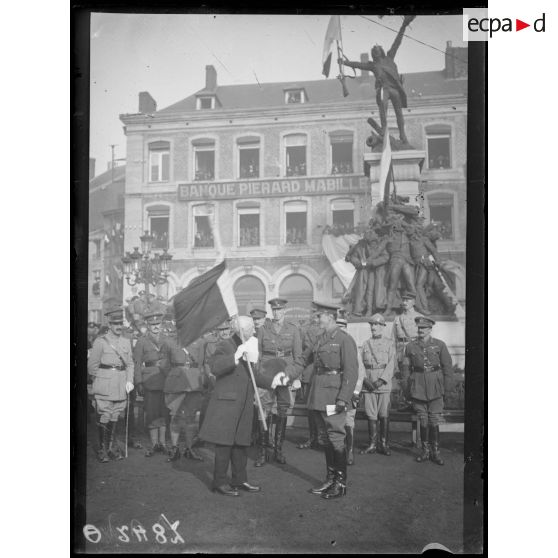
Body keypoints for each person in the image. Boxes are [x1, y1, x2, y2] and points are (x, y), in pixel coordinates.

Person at [199, 315, 287, 496]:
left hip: (244, 402)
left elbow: (253, 376)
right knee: (224, 445)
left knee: (240, 443)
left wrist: (273, 382)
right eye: (251, 328)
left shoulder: (248, 345)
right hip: (227, 403)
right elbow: (215, 367)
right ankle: (219, 482)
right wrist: (235, 357)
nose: (254, 331)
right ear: (241, 329)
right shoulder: (226, 345)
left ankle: (240, 480)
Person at [304, 302, 358, 500]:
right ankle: (330, 479)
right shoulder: (319, 339)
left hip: (335, 398)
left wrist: (343, 397)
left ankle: (341, 483)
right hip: (319, 395)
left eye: (319, 316)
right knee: (325, 438)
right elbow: (304, 359)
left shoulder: (344, 339)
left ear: (330, 317)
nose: (316, 320)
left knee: (336, 437)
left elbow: (351, 371)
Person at [339, 16, 415, 145]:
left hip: (394, 89)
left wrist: (403, 26)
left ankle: (403, 135)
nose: (375, 51)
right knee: (382, 108)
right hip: (384, 89)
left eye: (377, 50)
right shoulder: (373, 65)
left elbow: (397, 42)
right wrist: (344, 62)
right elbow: (358, 65)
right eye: (373, 51)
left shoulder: (389, 58)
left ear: (381, 52)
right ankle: (384, 131)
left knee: (399, 113)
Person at [257, 298, 304, 465]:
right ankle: (263, 452)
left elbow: (298, 357)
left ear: (284, 311)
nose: (276, 313)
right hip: (267, 374)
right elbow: (258, 355)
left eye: (279, 310)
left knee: (283, 410)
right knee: (264, 410)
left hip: (285, 373)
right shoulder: (263, 329)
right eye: (274, 310)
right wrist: (258, 377)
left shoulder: (293, 329)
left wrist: (296, 377)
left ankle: (278, 450)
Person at [403, 317, 454, 465]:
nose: (420, 331)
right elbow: (406, 369)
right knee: (423, 419)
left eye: (424, 328)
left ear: (430, 329)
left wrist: (447, 389)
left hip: (436, 386)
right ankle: (425, 451)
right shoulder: (410, 347)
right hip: (418, 386)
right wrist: (407, 388)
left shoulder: (439, 345)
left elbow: (448, 368)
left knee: (433, 420)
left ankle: (435, 452)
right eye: (419, 328)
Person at [87, 307, 134, 463]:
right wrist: (101, 381)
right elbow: (92, 366)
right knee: (105, 415)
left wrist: (129, 380)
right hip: (105, 384)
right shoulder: (100, 342)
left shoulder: (126, 342)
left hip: (121, 384)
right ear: (110, 324)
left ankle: (111, 447)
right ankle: (102, 449)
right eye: (115, 324)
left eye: (120, 323)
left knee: (116, 415)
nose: (119, 327)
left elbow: (130, 364)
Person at [162, 333, 205, 462]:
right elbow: (164, 365)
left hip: (194, 383)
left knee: (191, 417)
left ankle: (189, 448)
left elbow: (201, 363)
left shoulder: (200, 341)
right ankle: (174, 449)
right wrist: (174, 376)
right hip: (176, 383)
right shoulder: (169, 342)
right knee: (175, 416)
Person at [133, 311, 169, 457]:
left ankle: (163, 443)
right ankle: (154, 444)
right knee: (152, 412)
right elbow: (137, 363)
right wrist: (139, 382)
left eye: (157, 324)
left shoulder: (167, 339)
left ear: (161, 324)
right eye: (152, 324)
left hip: (166, 379)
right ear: (148, 325)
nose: (155, 327)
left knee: (164, 412)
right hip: (150, 380)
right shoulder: (142, 341)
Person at [360, 313, 396, 456]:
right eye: (372, 325)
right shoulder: (365, 344)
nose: (373, 327)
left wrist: (381, 380)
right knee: (371, 415)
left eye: (376, 325)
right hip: (369, 385)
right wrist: (365, 380)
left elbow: (392, 364)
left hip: (383, 384)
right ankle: (372, 444)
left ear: (382, 327)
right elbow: (360, 364)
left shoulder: (389, 343)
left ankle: (384, 444)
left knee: (384, 414)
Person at [336, 317, 364, 466]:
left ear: (346, 328)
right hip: (335, 391)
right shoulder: (333, 345)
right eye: (338, 328)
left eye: (343, 328)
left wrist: (356, 392)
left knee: (348, 421)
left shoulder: (351, 345)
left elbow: (360, 372)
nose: (341, 331)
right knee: (335, 421)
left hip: (350, 390)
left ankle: (349, 451)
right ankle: (338, 451)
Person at [392, 291, 423, 410]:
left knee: (416, 377)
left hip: (414, 350)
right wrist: (394, 357)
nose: (404, 302)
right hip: (401, 350)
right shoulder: (397, 319)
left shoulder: (419, 317)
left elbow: (423, 337)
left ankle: (418, 402)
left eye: (407, 300)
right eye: (403, 300)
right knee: (404, 378)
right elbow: (393, 339)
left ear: (413, 302)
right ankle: (408, 401)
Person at [297, 311, 323, 450]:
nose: (316, 318)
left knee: (323, 407)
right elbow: (301, 352)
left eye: (319, 315)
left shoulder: (329, 331)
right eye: (315, 315)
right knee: (311, 408)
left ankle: (322, 438)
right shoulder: (304, 331)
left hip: (323, 374)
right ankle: (313, 438)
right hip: (309, 373)